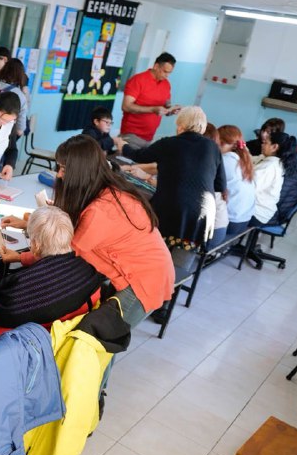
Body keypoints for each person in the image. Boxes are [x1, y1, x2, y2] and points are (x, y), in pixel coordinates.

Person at [50, 135, 174, 328]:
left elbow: (65, 252)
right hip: (145, 272)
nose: (59, 175)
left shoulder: (101, 209)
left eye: (64, 169)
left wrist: (23, 255)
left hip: (142, 282)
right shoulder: (106, 189)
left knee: (98, 342)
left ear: (80, 171)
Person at [0, 206, 103, 343]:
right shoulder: (89, 273)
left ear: (36, 246)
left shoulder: (21, 291)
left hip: (25, 348)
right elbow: (54, 259)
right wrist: (20, 257)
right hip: (66, 340)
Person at [118, 107, 226, 249]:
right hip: (203, 215)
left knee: (151, 242)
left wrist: (122, 145)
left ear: (180, 125)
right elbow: (220, 185)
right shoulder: (213, 147)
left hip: (171, 209)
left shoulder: (169, 143)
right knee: (180, 258)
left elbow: (139, 156)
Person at [119, 52, 179, 148]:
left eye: (169, 73)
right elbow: (126, 106)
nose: (167, 75)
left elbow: (166, 105)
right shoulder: (138, 80)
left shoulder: (166, 84)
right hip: (131, 134)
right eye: (165, 71)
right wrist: (152, 109)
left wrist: (171, 110)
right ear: (156, 66)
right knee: (126, 162)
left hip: (149, 137)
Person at [250, 131, 297, 226]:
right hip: (262, 212)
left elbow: (248, 188)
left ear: (274, 147)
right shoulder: (275, 161)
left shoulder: (270, 166)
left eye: (265, 143)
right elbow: (252, 159)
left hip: (256, 213)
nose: (262, 145)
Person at [217, 125, 255, 236]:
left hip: (230, 222)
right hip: (243, 220)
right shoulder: (243, 159)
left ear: (221, 142)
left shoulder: (226, 161)